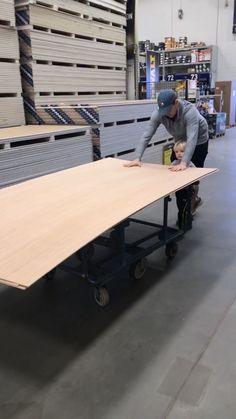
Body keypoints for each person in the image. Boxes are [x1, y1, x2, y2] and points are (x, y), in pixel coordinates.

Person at [124, 89, 209, 212]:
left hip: (198, 140)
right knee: (176, 173)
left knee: (193, 175)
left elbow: (192, 138)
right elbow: (147, 134)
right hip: (180, 141)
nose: (166, 113)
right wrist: (137, 157)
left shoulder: (190, 112)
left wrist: (184, 162)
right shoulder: (159, 113)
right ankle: (184, 212)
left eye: (169, 110)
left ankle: (194, 196)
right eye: (163, 111)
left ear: (176, 103)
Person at [171, 140, 197, 229]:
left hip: (188, 190)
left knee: (185, 208)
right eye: (176, 152)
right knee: (180, 207)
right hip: (179, 190)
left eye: (182, 151)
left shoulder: (189, 164)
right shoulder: (174, 163)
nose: (179, 154)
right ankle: (183, 222)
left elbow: (196, 174)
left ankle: (183, 225)